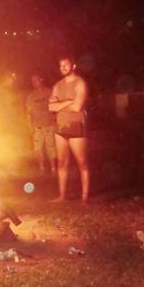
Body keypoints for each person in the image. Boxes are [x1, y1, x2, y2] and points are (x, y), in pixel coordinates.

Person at [49, 56, 89, 204]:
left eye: (66, 64)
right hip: (60, 127)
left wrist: (59, 105)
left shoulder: (80, 83)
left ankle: (84, 197)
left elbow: (77, 107)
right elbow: (50, 107)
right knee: (61, 163)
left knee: (82, 162)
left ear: (73, 66)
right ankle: (62, 196)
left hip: (76, 125)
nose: (63, 67)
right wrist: (67, 101)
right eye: (61, 65)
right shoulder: (57, 86)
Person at [26, 74, 56, 176]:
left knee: (51, 147)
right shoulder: (31, 96)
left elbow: (56, 108)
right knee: (38, 149)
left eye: (36, 80)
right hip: (37, 127)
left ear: (41, 80)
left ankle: (53, 168)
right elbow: (28, 113)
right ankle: (41, 167)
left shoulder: (49, 92)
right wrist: (30, 127)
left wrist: (55, 123)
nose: (35, 83)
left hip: (49, 126)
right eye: (33, 81)